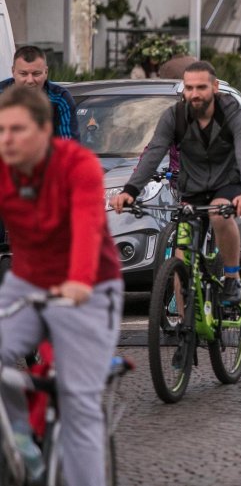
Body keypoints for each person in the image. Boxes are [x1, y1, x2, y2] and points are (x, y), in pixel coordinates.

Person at [0, 86, 122, 486]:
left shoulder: (77, 165)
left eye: (17, 130)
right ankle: (20, 437)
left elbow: (88, 227)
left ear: (44, 130)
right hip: (26, 283)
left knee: (78, 405)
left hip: (89, 287)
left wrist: (79, 282)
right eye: (0, 130)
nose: (6, 140)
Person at [110, 61, 241, 304]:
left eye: (201, 87)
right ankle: (185, 327)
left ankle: (232, 277)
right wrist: (130, 190)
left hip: (227, 182)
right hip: (193, 187)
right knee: (181, 258)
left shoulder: (231, 112)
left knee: (220, 214)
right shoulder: (175, 116)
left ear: (215, 87)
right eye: (189, 88)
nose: (194, 94)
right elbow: (154, 152)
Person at [0, 46, 79, 141]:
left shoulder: (60, 98)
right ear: (13, 72)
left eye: (36, 74)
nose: (30, 80)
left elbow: (69, 145)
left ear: (46, 72)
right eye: (23, 74)